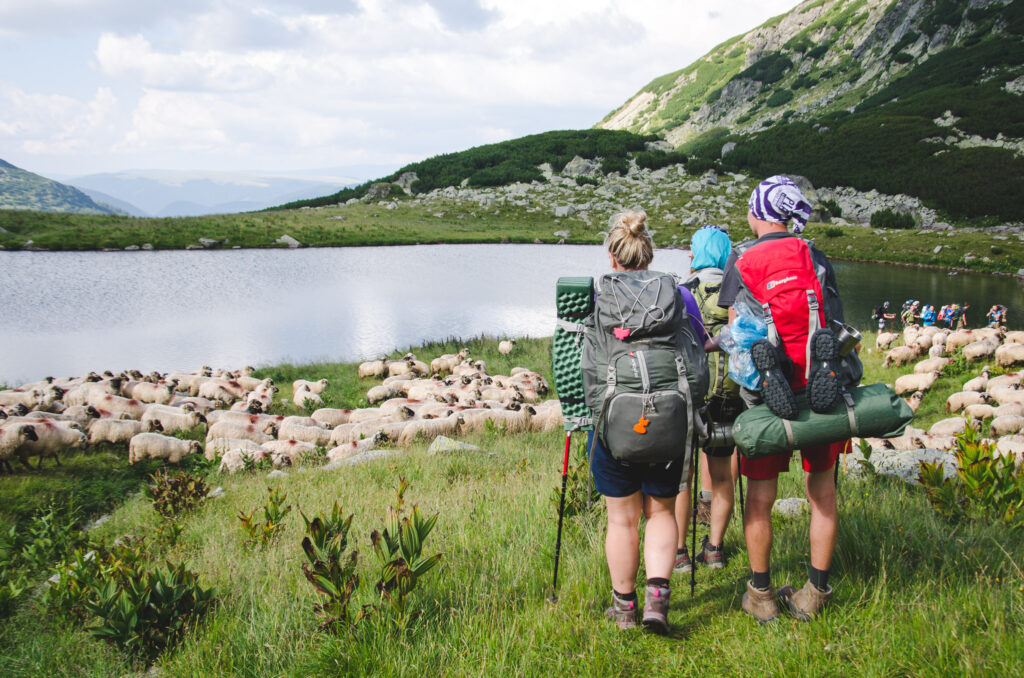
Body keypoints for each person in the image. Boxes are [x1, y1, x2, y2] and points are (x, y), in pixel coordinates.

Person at [717, 175, 849, 623]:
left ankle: (761, 594)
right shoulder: (812, 253)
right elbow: (834, 314)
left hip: (766, 397)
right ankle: (815, 591)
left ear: (757, 213)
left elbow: (738, 332)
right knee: (822, 493)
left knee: (759, 497)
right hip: (818, 385)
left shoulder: (741, 259)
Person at [590, 210, 705, 633]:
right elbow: (696, 363)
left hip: (614, 425)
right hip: (670, 426)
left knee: (621, 518)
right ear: (649, 254)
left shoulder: (598, 300)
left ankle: (624, 609)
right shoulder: (680, 296)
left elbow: (581, 368)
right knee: (660, 512)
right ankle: (658, 602)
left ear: (612, 256)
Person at [675, 224, 741, 575]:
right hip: (729, 391)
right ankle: (714, 549)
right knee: (721, 474)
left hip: (691, 391)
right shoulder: (739, 288)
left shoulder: (683, 289)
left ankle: (680, 553)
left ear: (698, 253)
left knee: (683, 477)